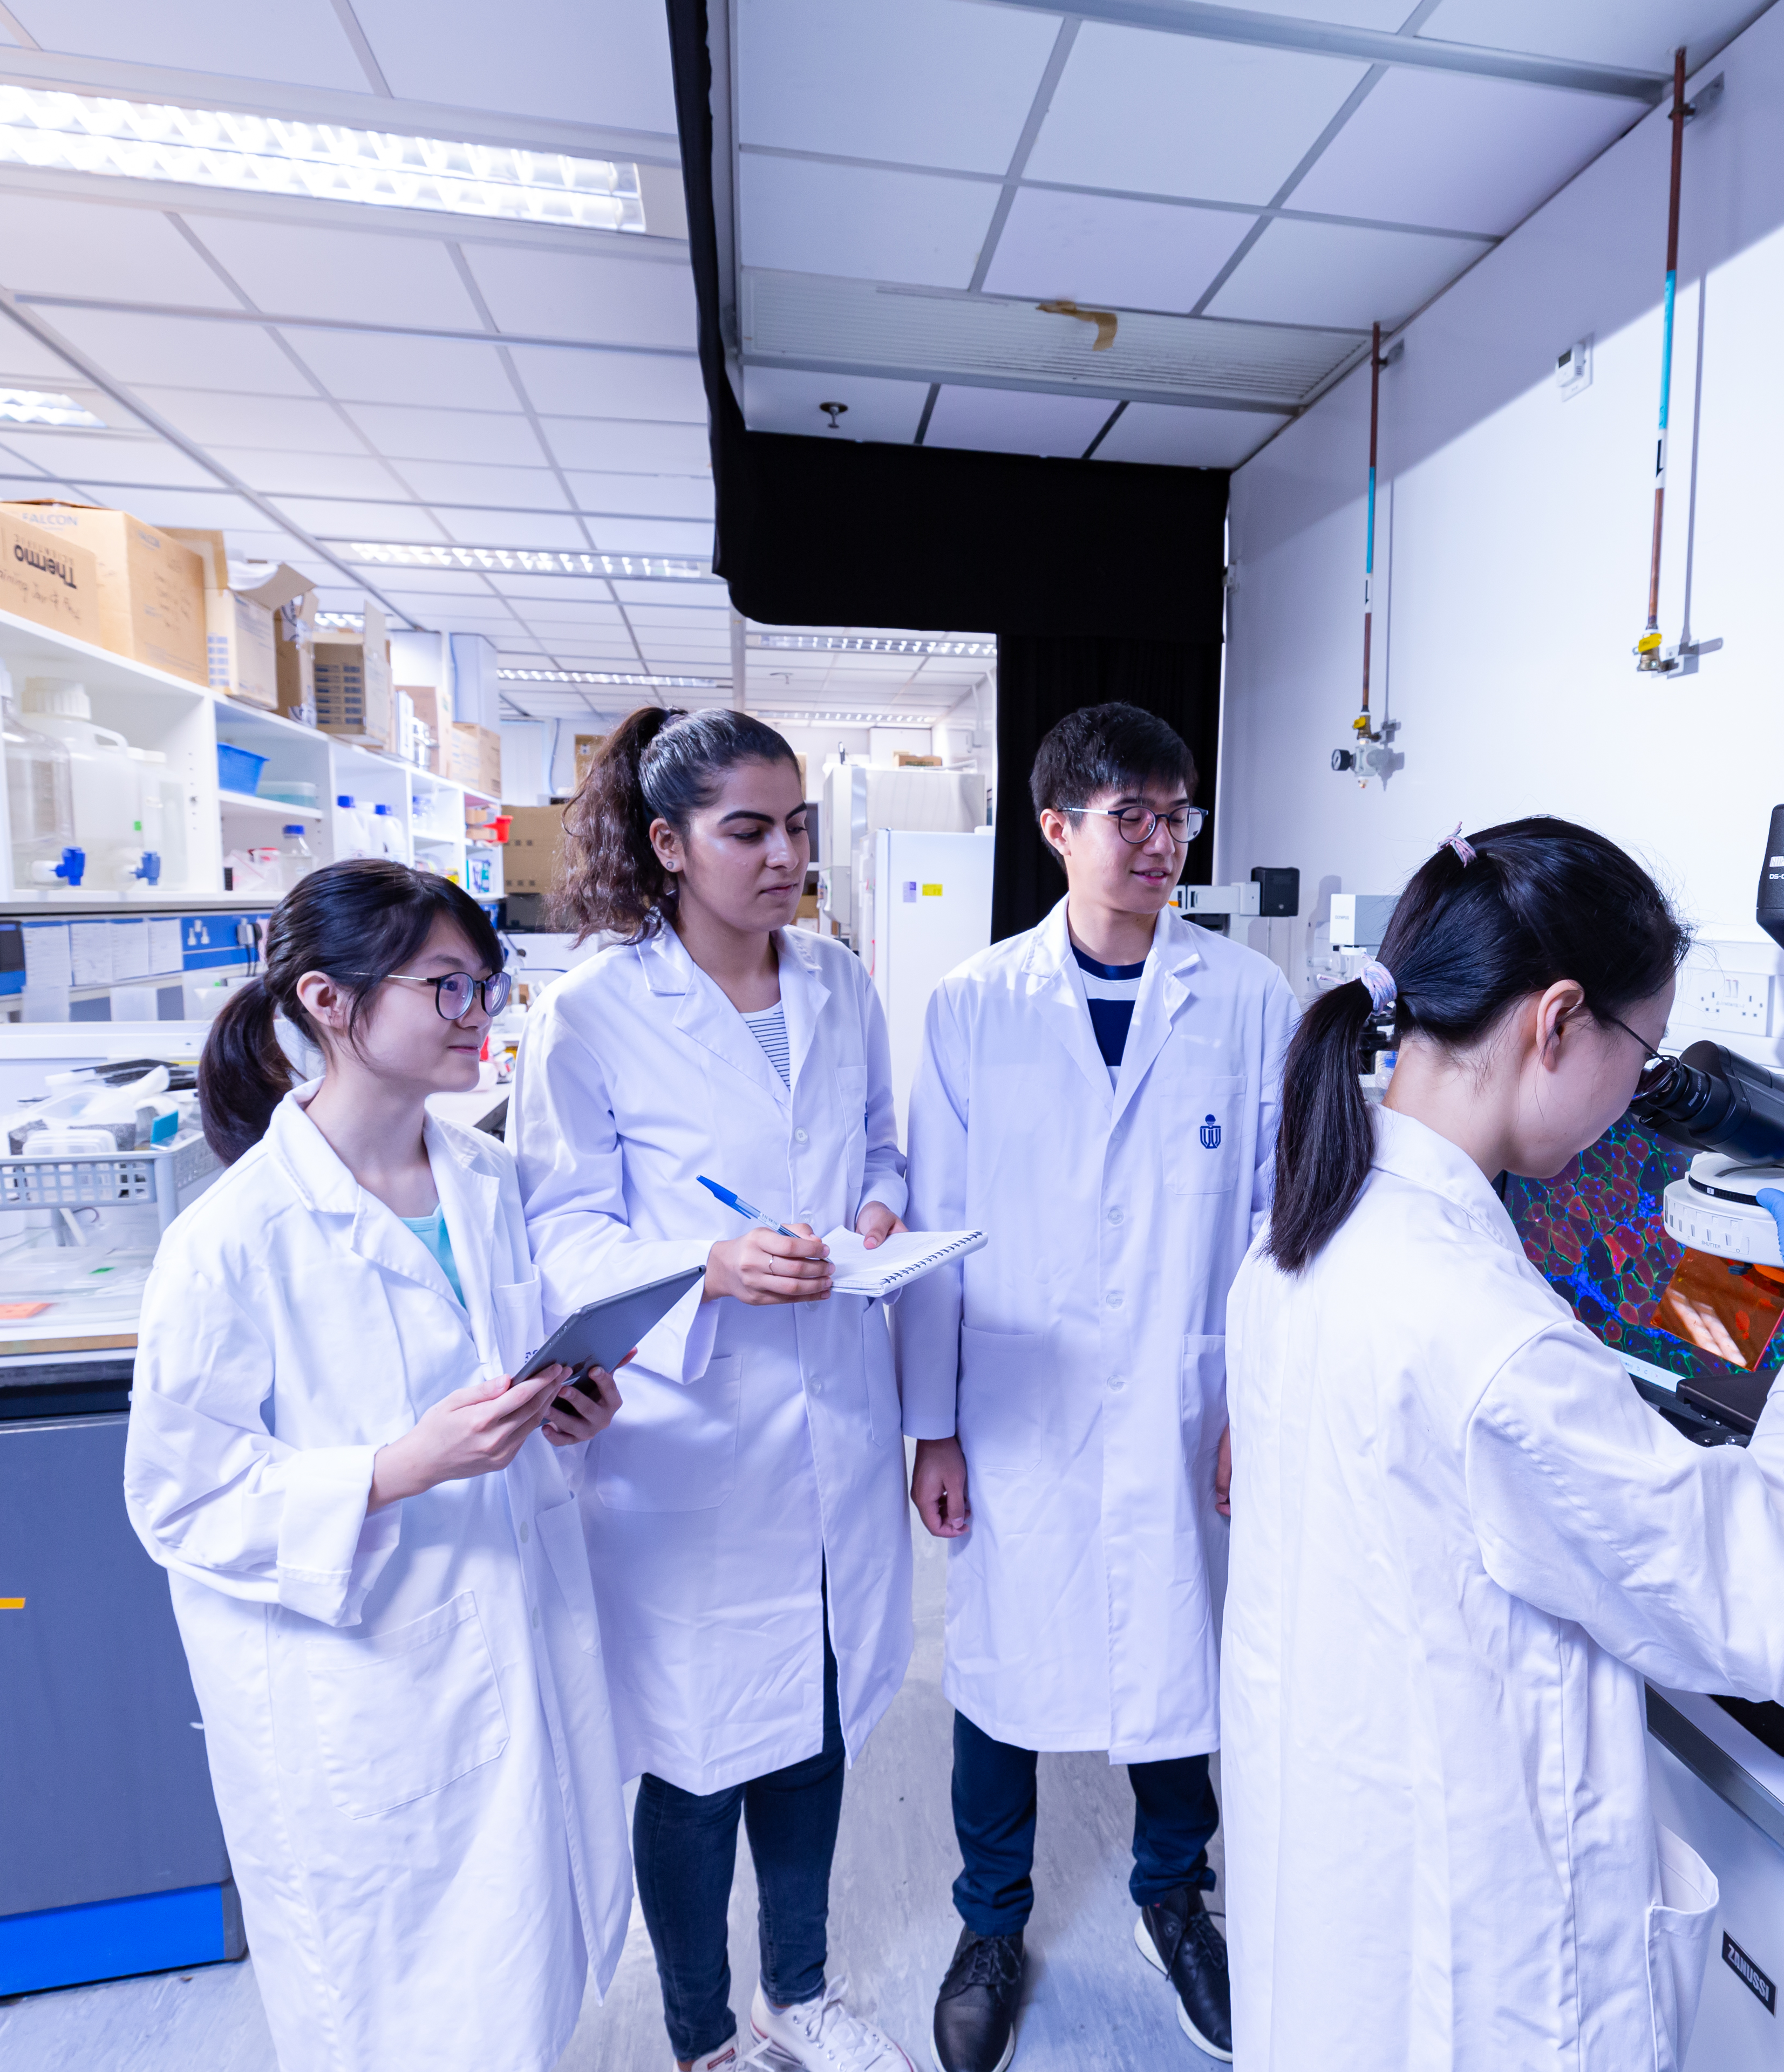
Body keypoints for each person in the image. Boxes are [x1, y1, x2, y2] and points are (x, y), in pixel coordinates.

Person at [1222, 819, 1784, 2072]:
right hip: (1478, 1968)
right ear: (1557, 1022)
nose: (1635, 1097)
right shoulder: (1489, 1341)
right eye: (1642, 1053)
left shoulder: (1313, 1233)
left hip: (1347, 1880)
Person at [124, 859, 630, 2072]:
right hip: (362, 1682)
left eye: (487, 988)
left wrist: (570, 1405)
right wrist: (400, 1467)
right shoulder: (230, 1241)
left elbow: (503, 1371)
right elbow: (181, 1501)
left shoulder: (487, 1181)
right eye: (449, 989)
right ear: (330, 1002)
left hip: (509, 1635)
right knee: (397, 2012)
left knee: (521, 1978)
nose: (481, 1018)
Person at [510, 706, 920, 2072]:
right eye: (748, 829)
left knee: (813, 1721)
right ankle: (704, 2037)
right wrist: (710, 1265)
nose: (782, 854)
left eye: (796, 826)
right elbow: (560, 1232)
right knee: (694, 1763)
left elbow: (879, 1146)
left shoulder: (840, 984)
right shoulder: (595, 1010)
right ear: (670, 844)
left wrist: (873, 1210)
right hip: (690, 1448)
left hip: (835, 1420)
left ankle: (797, 1993)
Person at [896, 702, 1291, 2068]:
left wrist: (1256, 1405)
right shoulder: (974, 1005)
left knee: (1183, 1655)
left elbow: (1271, 1224)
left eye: (1177, 815)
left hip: (1188, 1397)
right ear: (1055, 827)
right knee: (1001, 1668)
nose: (1161, 843)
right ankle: (990, 1920)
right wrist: (931, 1424)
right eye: (1131, 816)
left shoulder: (1246, 1000)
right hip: (1019, 1404)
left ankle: (1176, 1900)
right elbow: (936, 1228)